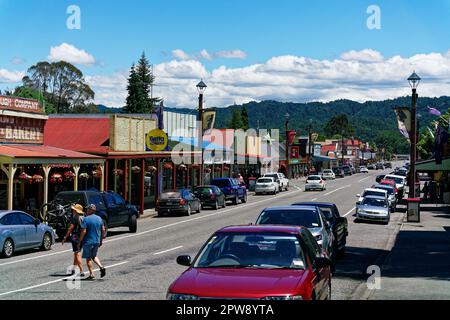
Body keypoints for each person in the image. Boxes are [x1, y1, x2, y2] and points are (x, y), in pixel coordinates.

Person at [78, 204, 106, 280]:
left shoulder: (86, 219)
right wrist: (101, 240)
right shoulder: (99, 218)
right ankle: (101, 267)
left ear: (91, 210)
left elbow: (84, 231)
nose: (86, 210)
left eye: (87, 209)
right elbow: (103, 229)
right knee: (94, 256)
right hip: (96, 240)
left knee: (88, 258)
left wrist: (79, 241)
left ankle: (91, 274)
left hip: (88, 241)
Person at [62, 204, 85, 276]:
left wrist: (65, 237)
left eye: (73, 210)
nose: (72, 211)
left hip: (76, 236)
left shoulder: (75, 218)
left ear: (75, 211)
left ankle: (81, 271)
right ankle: (73, 269)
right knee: (76, 253)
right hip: (83, 236)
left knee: (77, 253)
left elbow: (70, 228)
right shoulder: (84, 217)